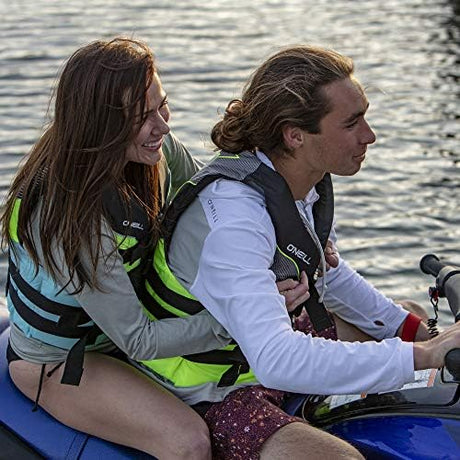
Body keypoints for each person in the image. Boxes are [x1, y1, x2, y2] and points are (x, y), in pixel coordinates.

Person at [133, 45, 460, 460]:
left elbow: (328, 274)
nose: (369, 136)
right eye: (352, 123)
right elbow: (275, 358)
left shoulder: (301, 180)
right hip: (213, 387)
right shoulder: (235, 219)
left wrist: (423, 336)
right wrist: (423, 355)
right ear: (295, 135)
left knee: (406, 317)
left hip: (259, 353)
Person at [1, 37, 252, 459]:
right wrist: (238, 322)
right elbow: (138, 339)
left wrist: (287, 245)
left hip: (121, 329)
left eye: (162, 105)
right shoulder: (70, 218)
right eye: (141, 118)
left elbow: (216, 206)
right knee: (188, 443)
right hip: (64, 359)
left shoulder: (157, 151)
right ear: (100, 127)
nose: (163, 126)